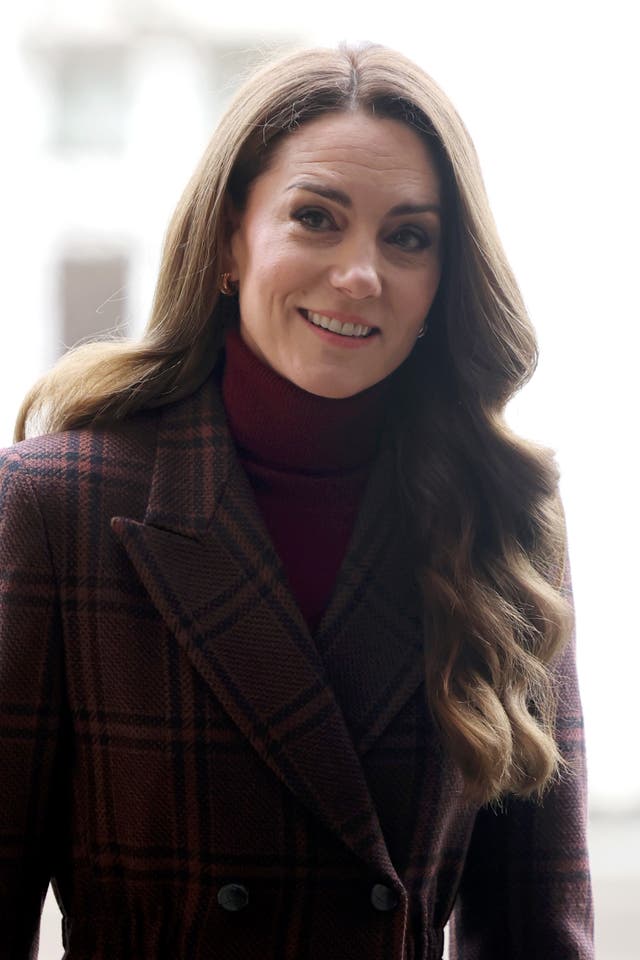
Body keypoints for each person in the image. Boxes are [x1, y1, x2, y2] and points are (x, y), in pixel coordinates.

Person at [0, 43, 594, 959]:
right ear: (232, 239)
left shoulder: (502, 522)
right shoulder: (55, 507)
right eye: (316, 218)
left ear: (444, 278)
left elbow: (537, 931)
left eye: (408, 236)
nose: (361, 275)